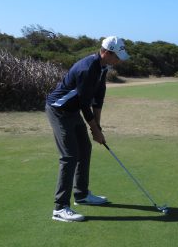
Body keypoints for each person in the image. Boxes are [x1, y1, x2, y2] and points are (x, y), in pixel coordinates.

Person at [45, 36, 129, 222]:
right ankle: (60, 208)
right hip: (59, 110)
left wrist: (97, 127)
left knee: (84, 148)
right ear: (106, 52)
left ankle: (81, 194)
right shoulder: (87, 68)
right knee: (69, 156)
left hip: (72, 110)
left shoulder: (103, 68)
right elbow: (84, 105)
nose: (119, 60)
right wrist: (95, 131)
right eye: (117, 56)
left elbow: (98, 99)